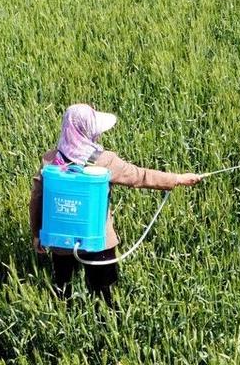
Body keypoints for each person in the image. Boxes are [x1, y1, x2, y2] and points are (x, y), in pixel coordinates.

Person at [29, 103, 201, 307]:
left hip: (61, 242)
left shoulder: (50, 161)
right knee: (105, 294)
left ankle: (65, 320)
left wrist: (37, 234)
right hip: (98, 241)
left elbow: (36, 200)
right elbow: (140, 176)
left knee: (62, 290)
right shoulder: (104, 161)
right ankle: (106, 326)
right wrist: (178, 179)